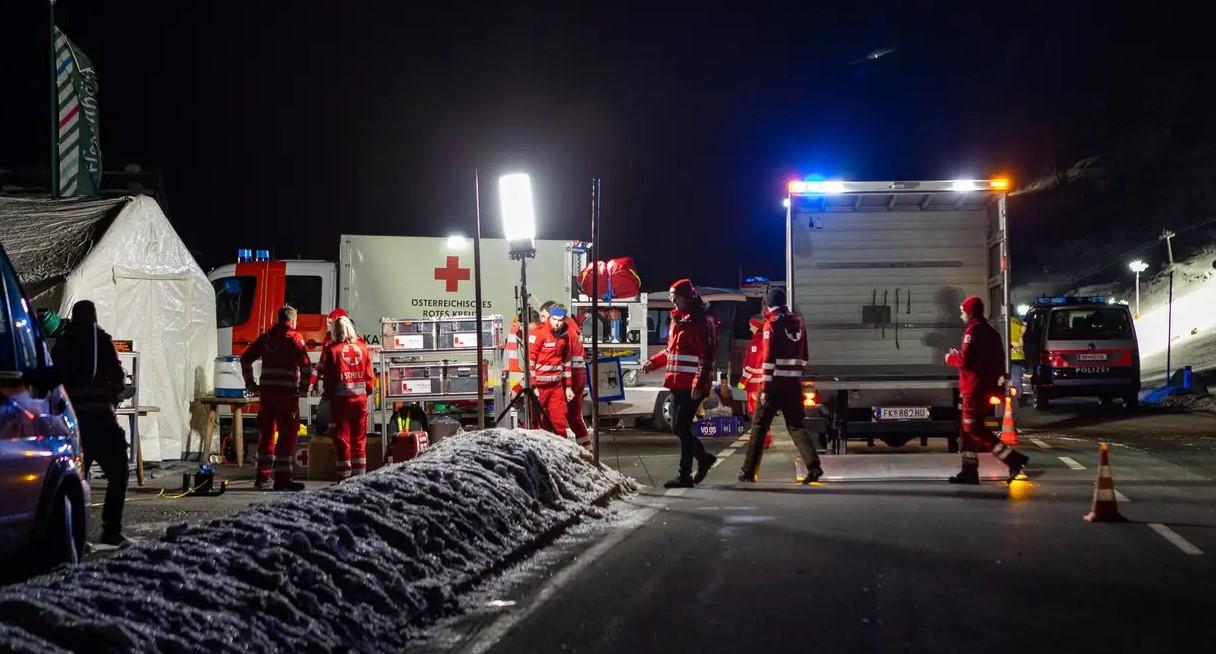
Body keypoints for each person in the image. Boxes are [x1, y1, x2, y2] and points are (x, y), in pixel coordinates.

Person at [52, 300, 129, 546]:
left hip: (72, 424)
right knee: (118, 474)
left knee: (75, 480)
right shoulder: (101, 341)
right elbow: (117, 379)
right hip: (101, 421)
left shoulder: (63, 344)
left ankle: (74, 535)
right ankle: (111, 530)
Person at [737, 288, 823, 484]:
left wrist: (765, 388)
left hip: (774, 384)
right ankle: (814, 466)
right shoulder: (798, 322)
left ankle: (748, 471)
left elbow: (768, 358)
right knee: (796, 425)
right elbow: (805, 354)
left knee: (759, 426)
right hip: (793, 383)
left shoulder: (771, 324)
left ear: (768, 304)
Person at [945, 296, 1030, 484]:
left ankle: (1013, 459)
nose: (961, 316)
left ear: (969, 312)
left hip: (973, 390)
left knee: (973, 428)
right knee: (967, 434)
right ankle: (969, 471)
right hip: (985, 388)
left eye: (962, 312)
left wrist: (951, 358)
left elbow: (966, 361)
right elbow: (996, 359)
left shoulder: (972, 332)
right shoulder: (991, 333)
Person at [642, 279, 717, 488]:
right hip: (677, 383)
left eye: (676, 298)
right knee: (678, 427)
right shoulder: (678, 319)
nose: (673, 302)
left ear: (687, 297)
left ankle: (685, 475)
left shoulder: (702, 321)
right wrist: (654, 362)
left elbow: (707, 357)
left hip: (692, 386)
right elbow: (672, 351)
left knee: (682, 427)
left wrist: (699, 384)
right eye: (671, 298)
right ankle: (703, 459)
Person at [240, 305, 312, 491]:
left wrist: (251, 384)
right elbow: (306, 367)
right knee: (287, 436)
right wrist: (303, 389)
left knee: (267, 435)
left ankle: (262, 477)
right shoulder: (294, 339)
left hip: (267, 394)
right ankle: (282, 479)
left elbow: (245, 359)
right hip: (287, 395)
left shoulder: (266, 339)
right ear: (293, 320)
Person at [318, 316, 374, 479]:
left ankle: (344, 477)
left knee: (342, 439)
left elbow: (328, 378)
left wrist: (327, 397)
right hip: (360, 402)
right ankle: (360, 477)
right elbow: (369, 377)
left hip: (340, 404)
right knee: (359, 439)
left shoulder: (331, 350)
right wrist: (365, 394)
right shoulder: (363, 348)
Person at [529, 304, 572, 437]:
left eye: (560, 320)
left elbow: (566, 363)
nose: (557, 323)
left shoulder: (565, 336)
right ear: (549, 318)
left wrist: (568, 387)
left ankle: (562, 453)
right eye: (554, 319)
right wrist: (533, 385)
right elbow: (530, 362)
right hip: (540, 387)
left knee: (559, 421)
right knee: (536, 422)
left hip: (556, 387)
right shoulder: (539, 334)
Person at [738, 314, 773, 449]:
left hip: (754, 385)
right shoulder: (765, 341)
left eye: (751, 325)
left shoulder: (756, 343)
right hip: (762, 384)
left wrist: (743, 381)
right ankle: (765, 439)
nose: (749, 327)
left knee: (755, 413)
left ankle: (761, 440)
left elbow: (752, 364)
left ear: (757, 326)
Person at [563, 309, 592, 451]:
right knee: (575, 417)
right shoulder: (573, 328)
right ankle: (588, 450)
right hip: (578, 374)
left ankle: (561, 453)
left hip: (572, 376)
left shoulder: (566, 329)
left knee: (562, 417)